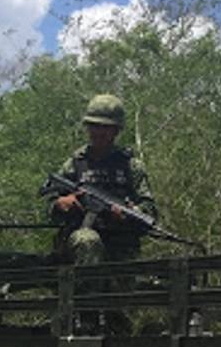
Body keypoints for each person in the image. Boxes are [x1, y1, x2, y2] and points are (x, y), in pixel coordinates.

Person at [49, 94, 157, 265]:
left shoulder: (131, 167)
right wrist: (60, 203)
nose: (98, 132)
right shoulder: (74, 164)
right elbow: (51, 204)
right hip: (78, 250)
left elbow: (149, 211)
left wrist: (129, 213)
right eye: (94, 126)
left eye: (105, 127)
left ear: (116, 130)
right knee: (86, 239)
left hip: (121, 249)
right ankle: (88, 290)